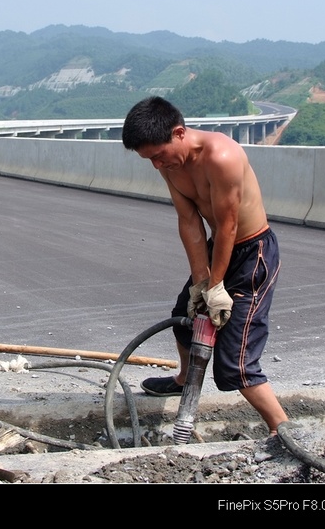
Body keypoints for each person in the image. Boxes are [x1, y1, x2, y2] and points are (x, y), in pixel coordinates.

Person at [121, 96, 288, 435]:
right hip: (219, 249)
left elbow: (228, 225)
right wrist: (201, 284)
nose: (156, 166)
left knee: (235, 363)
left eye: (157, 156)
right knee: (186, 318)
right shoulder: (172, 165)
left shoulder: (221, 156)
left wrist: (217, 286)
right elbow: (190, 221)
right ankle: (184, 379)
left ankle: (282, 428)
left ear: (179, 133)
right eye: (148, 160)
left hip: (252, 253)